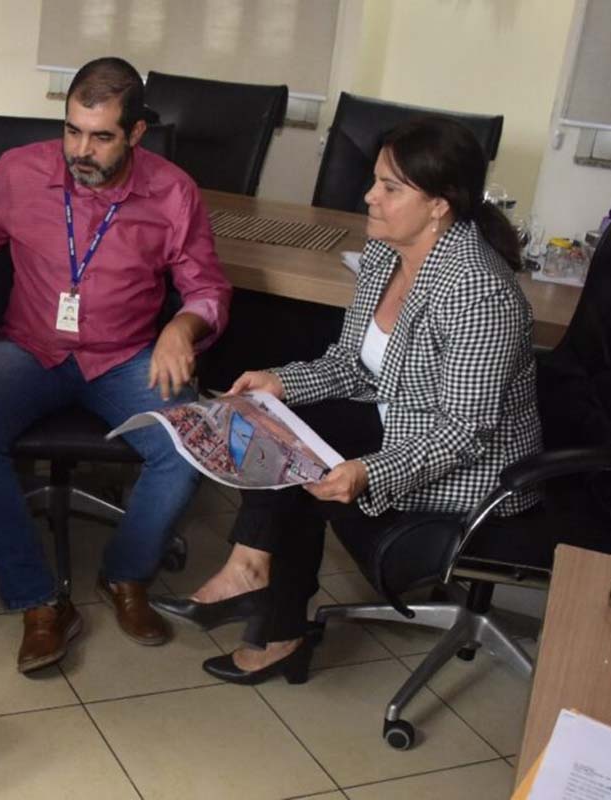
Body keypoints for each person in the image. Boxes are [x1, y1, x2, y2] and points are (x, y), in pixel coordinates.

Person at [152, 116, 542, 685]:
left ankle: (268, 611)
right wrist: (278, 381)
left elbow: (464, 430)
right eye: (374, 181)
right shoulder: (386, 256)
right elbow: (351, 366)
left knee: (307, 459)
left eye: (390, 187)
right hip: (400, 421)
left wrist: (366, 471)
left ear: (439, 205)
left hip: (472, 469)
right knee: (281, 423)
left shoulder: (479, 292)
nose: (369, 196)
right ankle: (261, 594)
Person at [0, 57, 232, 673]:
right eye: (72, 130)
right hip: (29, 348)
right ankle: (40, 602)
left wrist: (183, 326)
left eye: (101, 137)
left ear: (136, 134)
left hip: (124, 357)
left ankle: (126, 575)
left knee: (188, 443)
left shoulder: (173, 192)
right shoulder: (20, 172)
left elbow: (207, 289)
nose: (81, 150)